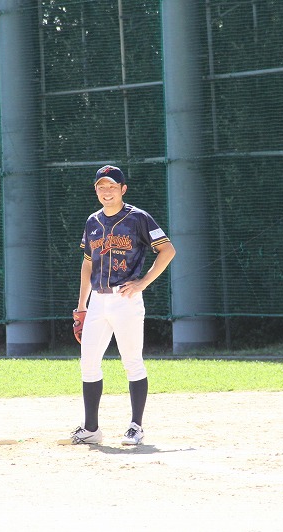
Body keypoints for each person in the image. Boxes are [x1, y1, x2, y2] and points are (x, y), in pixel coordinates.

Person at [67, 165, 176, 446]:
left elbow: (167, 250)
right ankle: (91, 428)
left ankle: (136, 427)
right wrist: (82, 305)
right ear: (96, 190)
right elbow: (88, 264)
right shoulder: (92, 221)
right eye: (101, 186)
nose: (107, 191)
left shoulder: (138, 218)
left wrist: (143, 282)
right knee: (88, 363)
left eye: (112, 186)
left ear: (123, 189)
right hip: (97, 300)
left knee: (131, 361)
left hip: (125, 299)